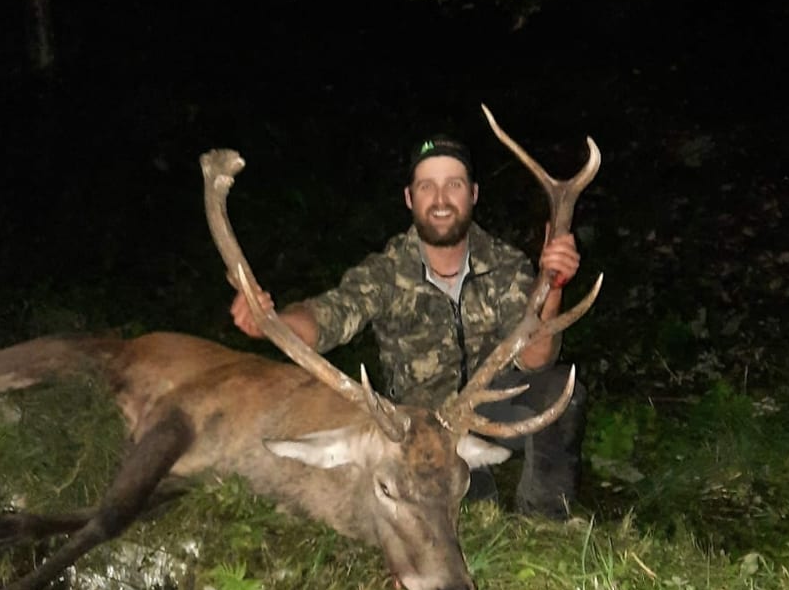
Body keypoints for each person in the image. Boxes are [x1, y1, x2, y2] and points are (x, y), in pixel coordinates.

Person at [230, 135, 586, 518]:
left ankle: (544, 521)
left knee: (560, 391)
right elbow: (322, 321)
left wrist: (552, 285)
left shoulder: (505, 264)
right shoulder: (386, 271)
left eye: (454, 184)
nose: (441, 198)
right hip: (422, 429)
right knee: (471, 512)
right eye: (426, 186)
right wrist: (272, 322)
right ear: (409, 198)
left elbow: (535, 359)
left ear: (474, 194)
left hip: (489, 412)